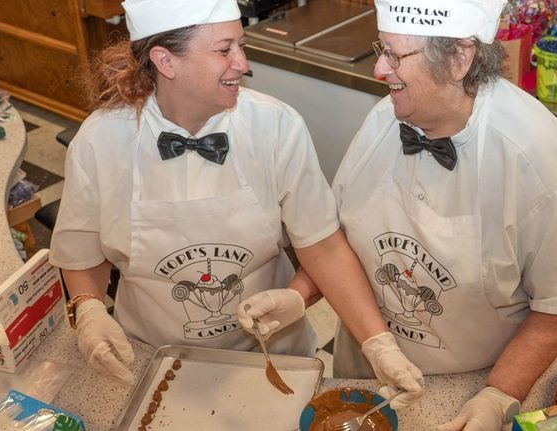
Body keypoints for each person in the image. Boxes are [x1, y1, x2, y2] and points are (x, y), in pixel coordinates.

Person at [49, 0, 423, 406]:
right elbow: (82, 250)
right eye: (224, 49)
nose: (243, 64)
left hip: (273, 360)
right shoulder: (100, 142)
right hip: (152, 360)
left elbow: (323, 245)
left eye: (241, 46)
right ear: (165, 61)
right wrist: (87, 309)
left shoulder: (275, 127)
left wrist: (369, 339)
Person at [330, 0, 557, 429]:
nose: (379, 70)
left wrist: (498, 396)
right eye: (379, 49)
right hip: (368, 366)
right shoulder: (387, 116)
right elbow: (337, 235)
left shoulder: (533, 159)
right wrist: (304, 296)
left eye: (395, 55)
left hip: (467, 387)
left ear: (459, 58)